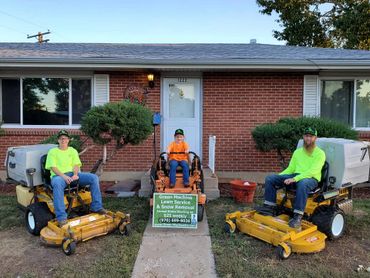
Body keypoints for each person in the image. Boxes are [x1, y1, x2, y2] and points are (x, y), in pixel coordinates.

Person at [259, 127, 326, 229]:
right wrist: (279, 177)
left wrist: (295, 179)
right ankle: (269, 208)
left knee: (302, 183)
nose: (308, 138)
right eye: (306, 136)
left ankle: (297, 216)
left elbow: (313, 171)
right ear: (303, 137)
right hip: (296, 176)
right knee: (270, 178)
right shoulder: (297, 152)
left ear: (315, 138)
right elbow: (290, 169)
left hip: (311, 178)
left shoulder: (320, 153)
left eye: (311, 136)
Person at [45, 130, 106, 227]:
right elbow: (53, 167)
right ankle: (61, 217)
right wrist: (64, 177)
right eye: (61, 138)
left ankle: (96, 207)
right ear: (58, 140)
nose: (63, 140)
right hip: (59, 176)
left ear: (68, 140)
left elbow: (76, 164)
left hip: (72, 174)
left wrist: (75, 174)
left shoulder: (72, 150)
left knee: (93, 178)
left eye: (65, 138)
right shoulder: (53, 152)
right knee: (57, 184)